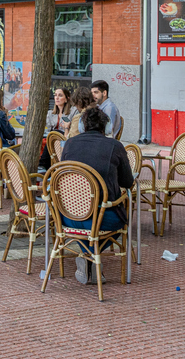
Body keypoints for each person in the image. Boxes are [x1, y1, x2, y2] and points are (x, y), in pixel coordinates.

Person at [59, 105, 134, 285]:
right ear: (107, 128)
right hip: (103, 218)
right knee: (122, 219)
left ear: (82, 127)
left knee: (89, 229)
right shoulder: (114, 146)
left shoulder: (69, 143)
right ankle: (92, 256)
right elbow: (127, 182)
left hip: (68, 216)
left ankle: (88, 256)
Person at [39, 87, 76, 168]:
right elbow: (48, 129)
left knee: (56, 134)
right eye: (55, 95)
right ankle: (43, 165)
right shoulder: (50, 113)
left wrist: (66, 127)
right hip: (52, 140)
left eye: (60, 95)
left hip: (65, 140)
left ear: (66, 99)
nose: (57, 98)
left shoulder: (73, 111)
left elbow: (73, 129)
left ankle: (42, 165)